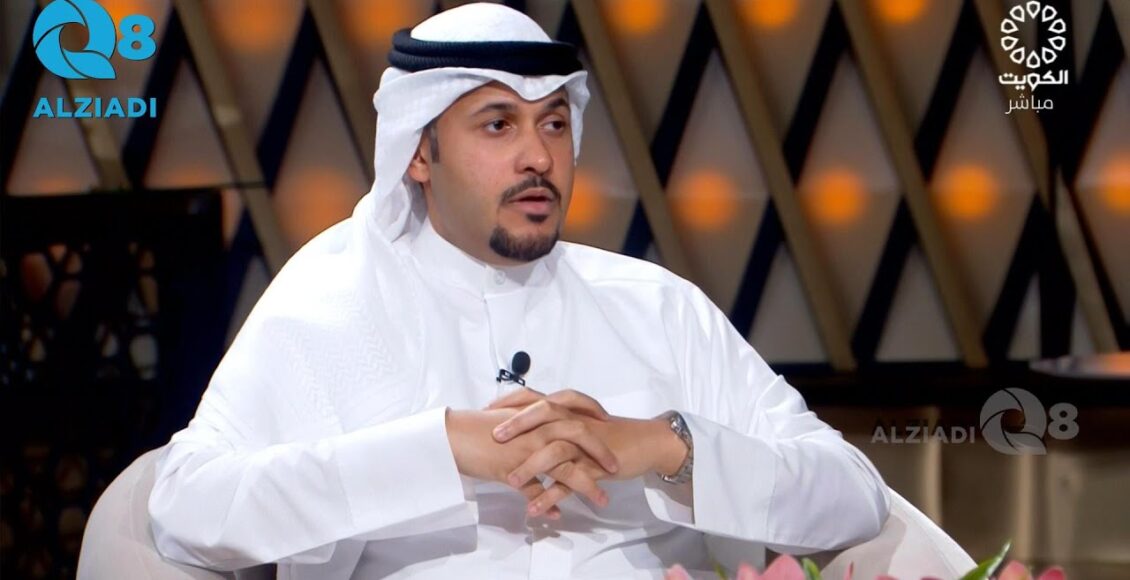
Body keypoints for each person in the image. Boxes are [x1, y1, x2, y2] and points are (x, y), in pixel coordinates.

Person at [147, 4, 890, 579]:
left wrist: (665, 445)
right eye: (498, 125)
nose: (539, 156)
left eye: (555, 124)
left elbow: (853, 494)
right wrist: (441, 449)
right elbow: (187, 504)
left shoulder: (654, 306)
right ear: (419, 154)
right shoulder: (332, 298)